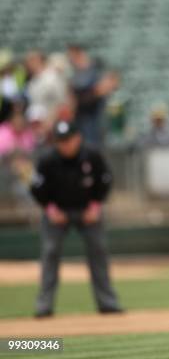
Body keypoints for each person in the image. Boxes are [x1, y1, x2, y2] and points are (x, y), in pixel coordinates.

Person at [29, 120, 123, 318]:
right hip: (57, 212)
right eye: (61, 141)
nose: (66, 144)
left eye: (69, 140)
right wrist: (50, 209)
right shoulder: (47, 159)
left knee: (98, 251)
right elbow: (36, 188)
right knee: (50, 252)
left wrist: (96, 206)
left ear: (78, 138)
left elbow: (106, 180)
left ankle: (108, 302)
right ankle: (44, 305)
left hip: (87, 210)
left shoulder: (92, 155)